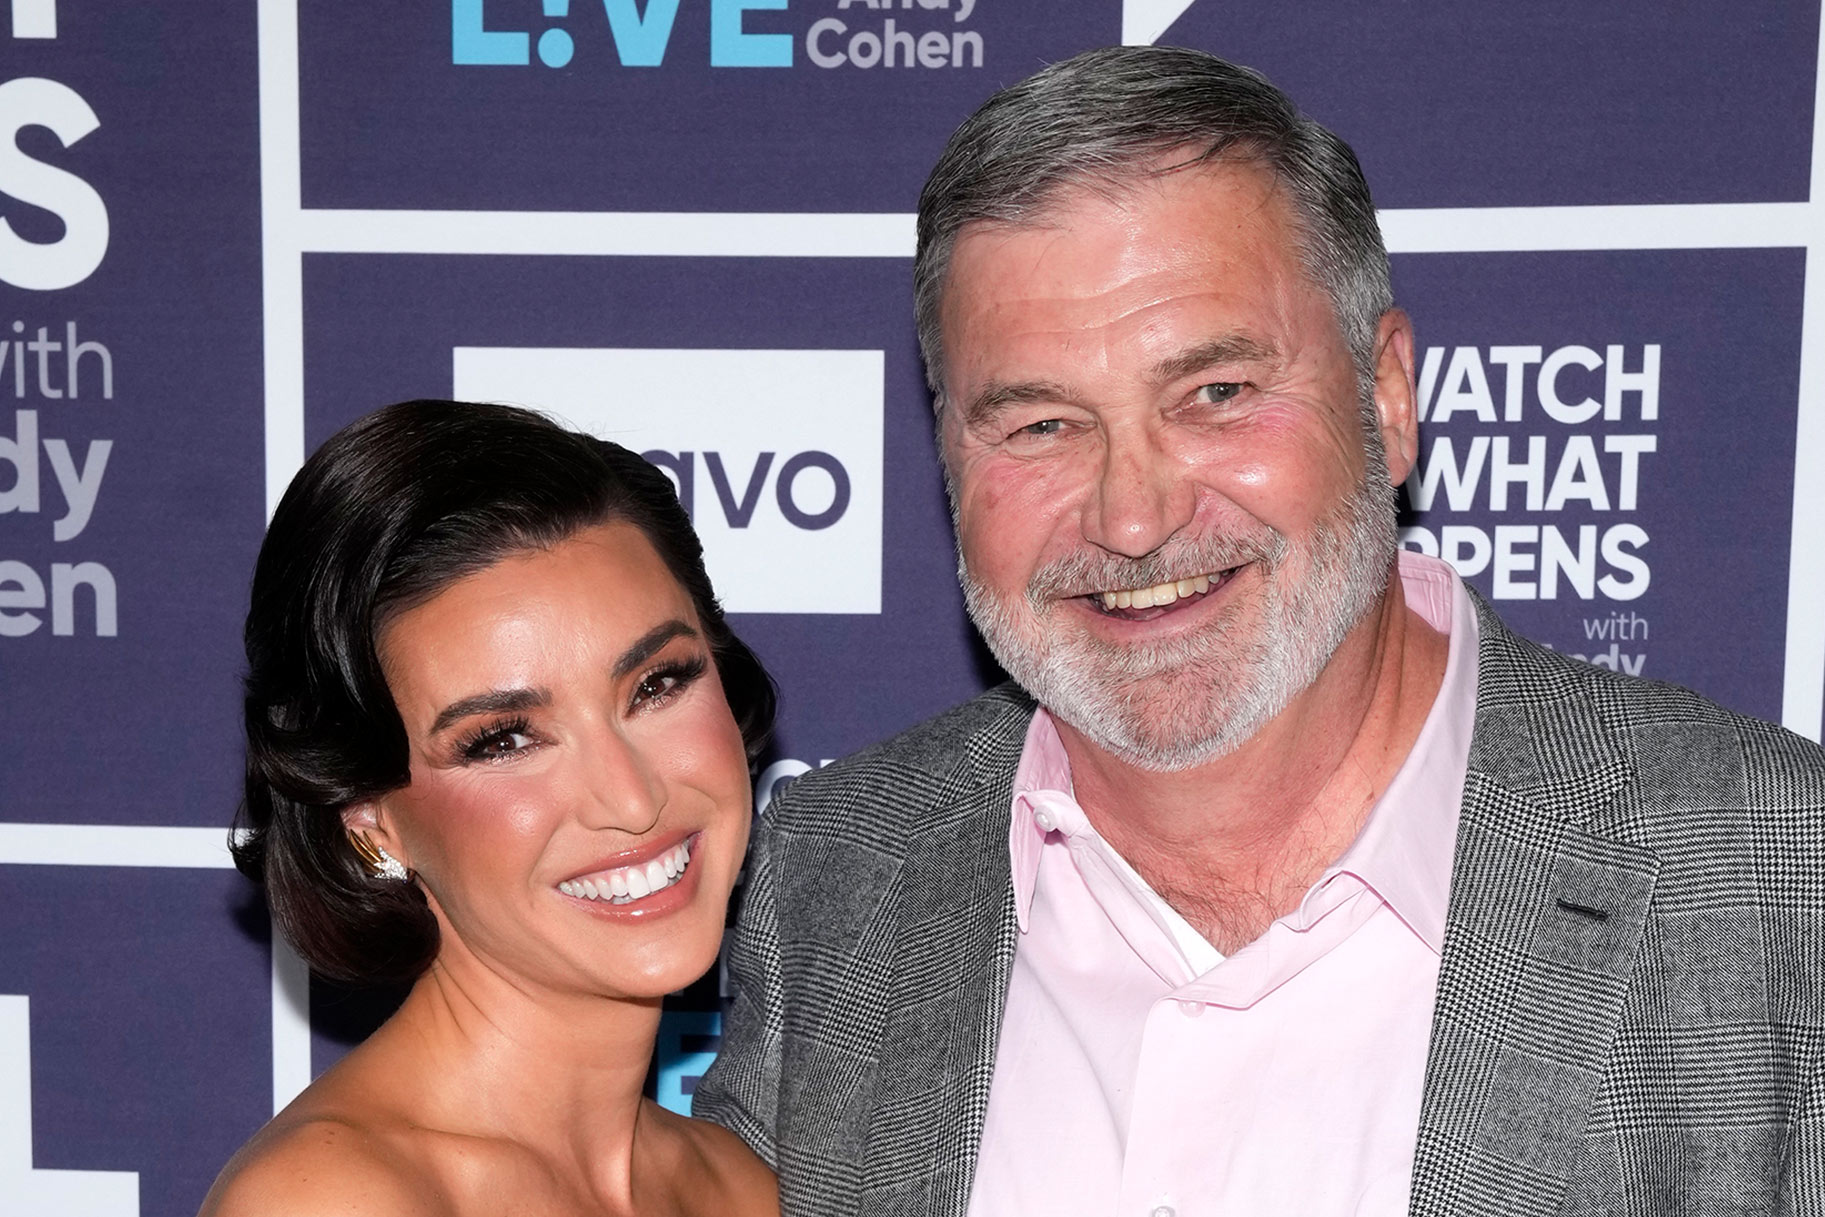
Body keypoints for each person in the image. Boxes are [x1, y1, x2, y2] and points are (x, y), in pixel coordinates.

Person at [693, 45, 1825, 1216]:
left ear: (1386, 397)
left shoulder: (1780, 878)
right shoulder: (831, 876)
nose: (1132, 516)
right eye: (1038, 423)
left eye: (1216, 395)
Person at [201, 400, 779, 1217]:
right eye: (504, 739)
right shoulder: (335, 1200)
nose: (633, 797)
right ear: (368, 815)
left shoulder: (740, 1188)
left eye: (657, 683)